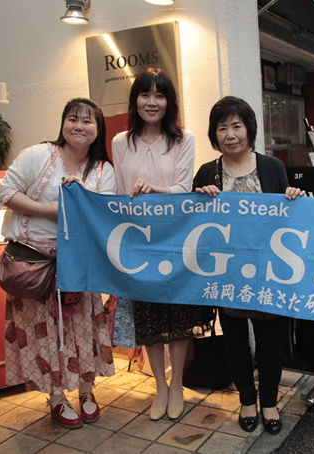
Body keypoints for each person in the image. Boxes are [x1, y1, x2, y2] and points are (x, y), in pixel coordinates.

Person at [0, 98, 116, 429]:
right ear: (62, 123)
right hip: (33, 266)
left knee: (84, 333)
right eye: (72, 118)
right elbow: (4, 194)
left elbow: (103, 216)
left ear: (98, 130)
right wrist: (53, 212)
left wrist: (81, 198)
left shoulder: (103, 171)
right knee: (43, 336)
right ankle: (56, 397)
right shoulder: (38, 155)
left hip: (78, 269)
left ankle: (87, 392)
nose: (79, 126)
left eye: (88, 121)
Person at [193, 96, 304, 435]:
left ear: (249, 129)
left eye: (236, 126)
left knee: (270, 342)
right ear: (214, 134)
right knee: (236, 341)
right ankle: (246, 400)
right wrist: (199, 196)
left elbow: (287, 217)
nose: (230, 135)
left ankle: (269, 401)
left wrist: (295, 197)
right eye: (222, 128)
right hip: (227, 272)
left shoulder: (271, 167)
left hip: (268, 272)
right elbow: (193, 222)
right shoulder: (207, 172)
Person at [111, 67, 212, 421]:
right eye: (145, 94)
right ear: (135, 100)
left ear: (169, 101)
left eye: (159, 95)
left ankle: (177, 384)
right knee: (149, 318)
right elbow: (117, 192)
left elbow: (184, 188)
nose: (151, 102)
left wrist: (155, 190)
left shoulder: (184, 139)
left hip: (176, 239)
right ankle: (160, 387)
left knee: (178, 317)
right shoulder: (120, 142)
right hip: (138, 243)